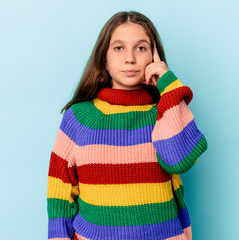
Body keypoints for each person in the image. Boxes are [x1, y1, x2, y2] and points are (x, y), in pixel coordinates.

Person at [46, 11, 208, 240]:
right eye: (119, 48)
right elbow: (59, 198)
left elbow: (180, 160)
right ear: (104, 58)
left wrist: (169, 85)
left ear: (154, 57)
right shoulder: (80, 117)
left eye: (141, 48)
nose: (130, 58)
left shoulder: (165, 112)